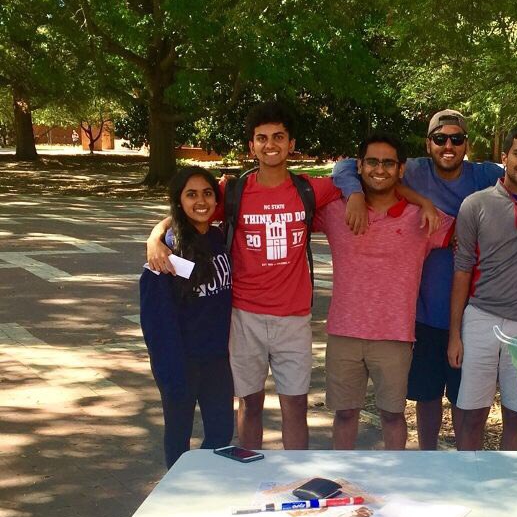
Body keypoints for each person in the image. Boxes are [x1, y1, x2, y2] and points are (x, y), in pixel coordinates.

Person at [146, 100, 437, 451]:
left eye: (279, 137)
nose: (270, 145)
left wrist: (385, 198)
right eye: (262, 138)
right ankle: (251, 469)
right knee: (249, 403)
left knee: (295, 407)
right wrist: (156, 236)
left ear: (291, 144)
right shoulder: (234, 192)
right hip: (245, 315)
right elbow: (192, 208)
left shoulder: (310, 190)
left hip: (294, 318)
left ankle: (294, 476)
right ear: (251, 145)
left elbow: (363, 175)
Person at [332, 109, 517, 450]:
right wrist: (357, 193)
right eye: (440, 139)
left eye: (456, 139)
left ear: (466, 144)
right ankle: (430, 460)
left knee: (465, 402)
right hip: (425, 311)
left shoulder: (484, 174)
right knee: (427, 396)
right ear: (428, 143)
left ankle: (465, 464)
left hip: (472, 312)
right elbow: (346, 167)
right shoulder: (413, 170)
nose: (448, 146)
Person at [317, 133, 453, 450]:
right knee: (345, 414)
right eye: (372, 162)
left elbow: (473, 234)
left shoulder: (422, 217)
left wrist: (425, 203)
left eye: (389, 163)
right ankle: (342, 475)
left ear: (401, 169)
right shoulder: (335, 211)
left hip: (395, 336)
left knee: (393, 416)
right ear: (360, 165)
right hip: (344, 332)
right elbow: (288, 210)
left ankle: (395, 476)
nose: (380, 169)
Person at [447, 124, 517, 451]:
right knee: (471, 414)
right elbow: (462, 270)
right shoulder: (475, 204)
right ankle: (469, 476)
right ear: (504, 157)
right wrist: (454, 334)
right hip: (481, 317)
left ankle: (503, 479)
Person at [140, 166, 234, 468]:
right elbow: (156, 320)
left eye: (207, 193)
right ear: (179, 201)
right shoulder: (168, 250)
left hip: (217, 360)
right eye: (191, 195)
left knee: (221, 433)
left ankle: (203, 481)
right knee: (178, 436)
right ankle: (178, 489)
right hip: (180, 361)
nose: (201, 201)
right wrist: (170, 370)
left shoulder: (218, 237)